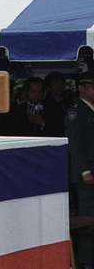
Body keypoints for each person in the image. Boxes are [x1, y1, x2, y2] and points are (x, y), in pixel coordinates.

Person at [65, 71, 94, 268]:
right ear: (81, 88)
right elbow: (75, 144)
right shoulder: (76, 111)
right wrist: (84, 171)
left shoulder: (89, 110)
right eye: (91, 86)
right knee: (88, 220)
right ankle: (86, 261)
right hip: (88, 176)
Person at [42, 71, 68, 137]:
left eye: (62, 83)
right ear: (48, 87)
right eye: (55, 83)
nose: (60, 86)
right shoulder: (44, 104)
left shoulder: (69, 102)